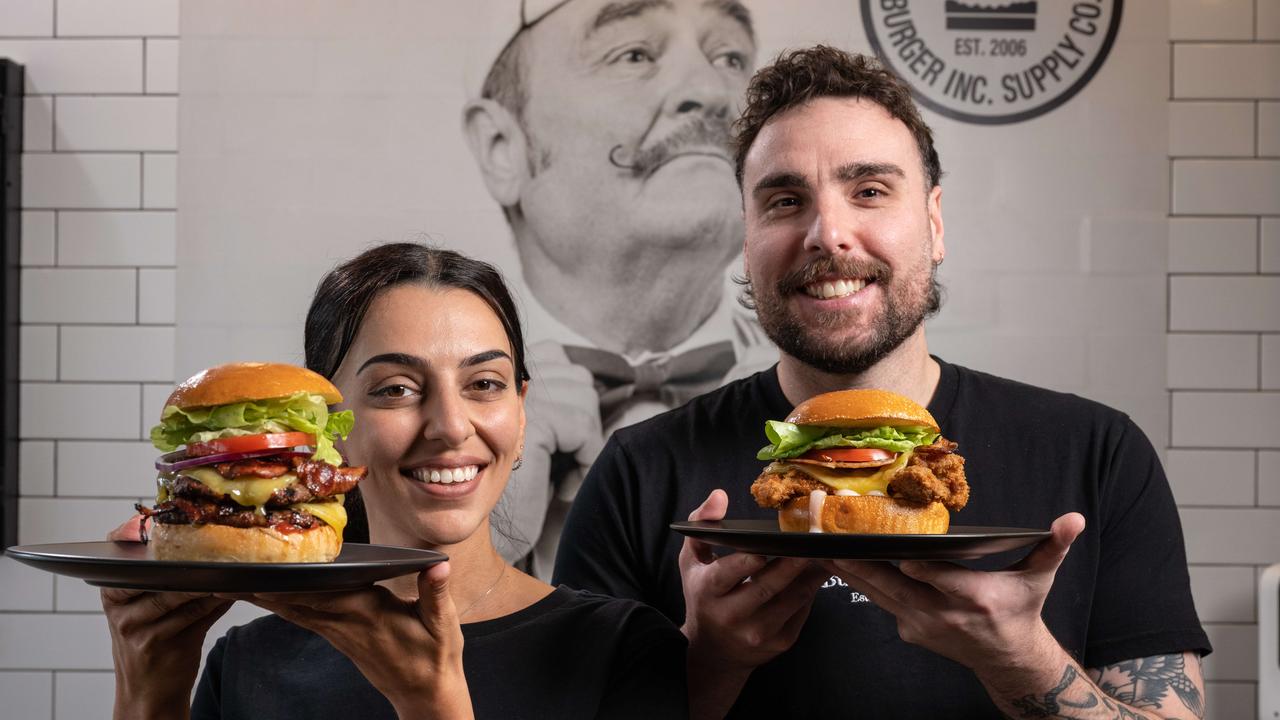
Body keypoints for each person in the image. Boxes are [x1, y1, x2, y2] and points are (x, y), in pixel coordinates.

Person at [553, 46, 1211, 719]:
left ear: (933, 221)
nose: (828, 234)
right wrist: (708, 664)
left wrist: (1018, 657)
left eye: (869, 191)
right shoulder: (636, 472)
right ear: (745, 238)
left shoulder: (1099, 454)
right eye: (784, 200)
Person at [101, 243, 688, 719]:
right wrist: (148, 692)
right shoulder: (247, 661)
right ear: (329, 428)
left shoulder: (625, 650)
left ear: (521, 411)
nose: (451, 427)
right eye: (396, 389)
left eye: (484, 383)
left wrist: (430, 706)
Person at [461, 0, 777, 576]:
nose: (711, 90)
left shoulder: (819, 405)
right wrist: (478, 542)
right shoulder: (414, 415)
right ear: (504, 148)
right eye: (634, 53)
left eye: (730, 57)